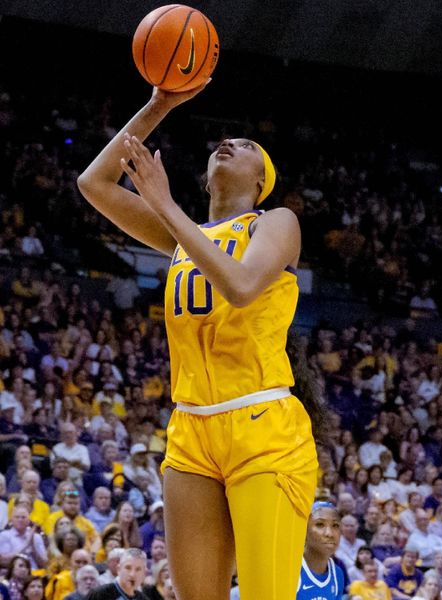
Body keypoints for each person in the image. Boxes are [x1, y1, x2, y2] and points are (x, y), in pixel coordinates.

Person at [78, 83, 323, 600]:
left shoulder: (276, 222)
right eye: (224, 140)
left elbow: (239, 286)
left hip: (264, 429)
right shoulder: (182, 233)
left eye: (248, 146)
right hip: (191, 428)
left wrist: (165, 204)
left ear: (261, 182)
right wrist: (159, 106)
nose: (229, 142)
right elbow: (94, 182)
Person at [297, 502, 344, 600]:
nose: (329, 533)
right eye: (320, 524)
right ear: (304, 530)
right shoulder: (291, 570)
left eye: (335, 525)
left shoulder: (337, 574)